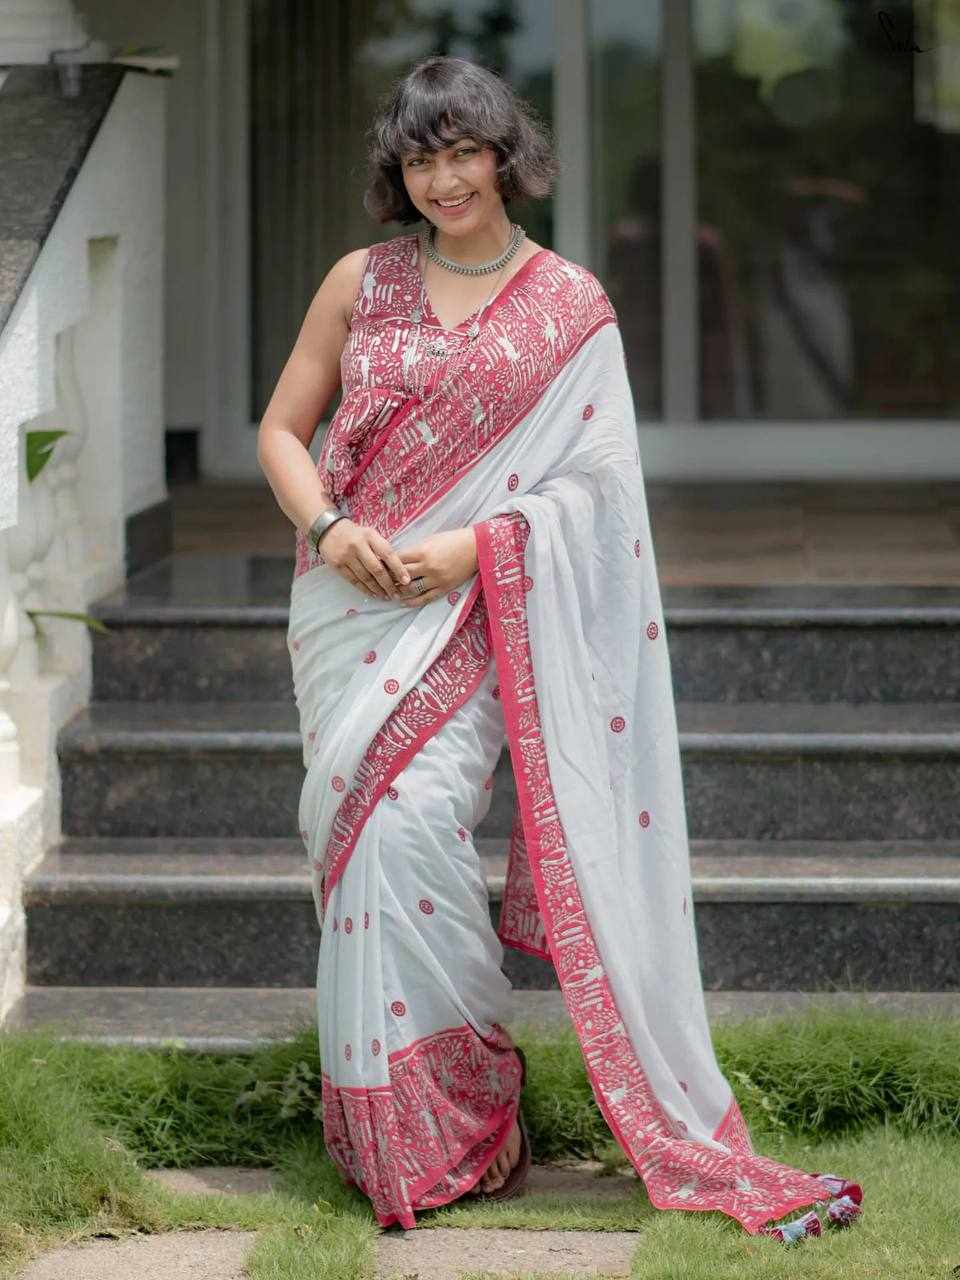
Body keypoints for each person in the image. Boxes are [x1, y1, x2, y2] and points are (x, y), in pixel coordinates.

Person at [257, 54, 864, 1243]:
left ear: (505, 157)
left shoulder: (569, 306)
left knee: (410, 823)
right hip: (347, 609)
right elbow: (282, 429)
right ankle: (393, 1134)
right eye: (420, 161)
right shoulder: (359, 281)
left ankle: (471, 1111)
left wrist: (476, 547)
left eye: (462, 154)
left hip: (474, 612)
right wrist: (328, 528)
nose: (443, 181)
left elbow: (599, 494)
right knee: (364, 841)